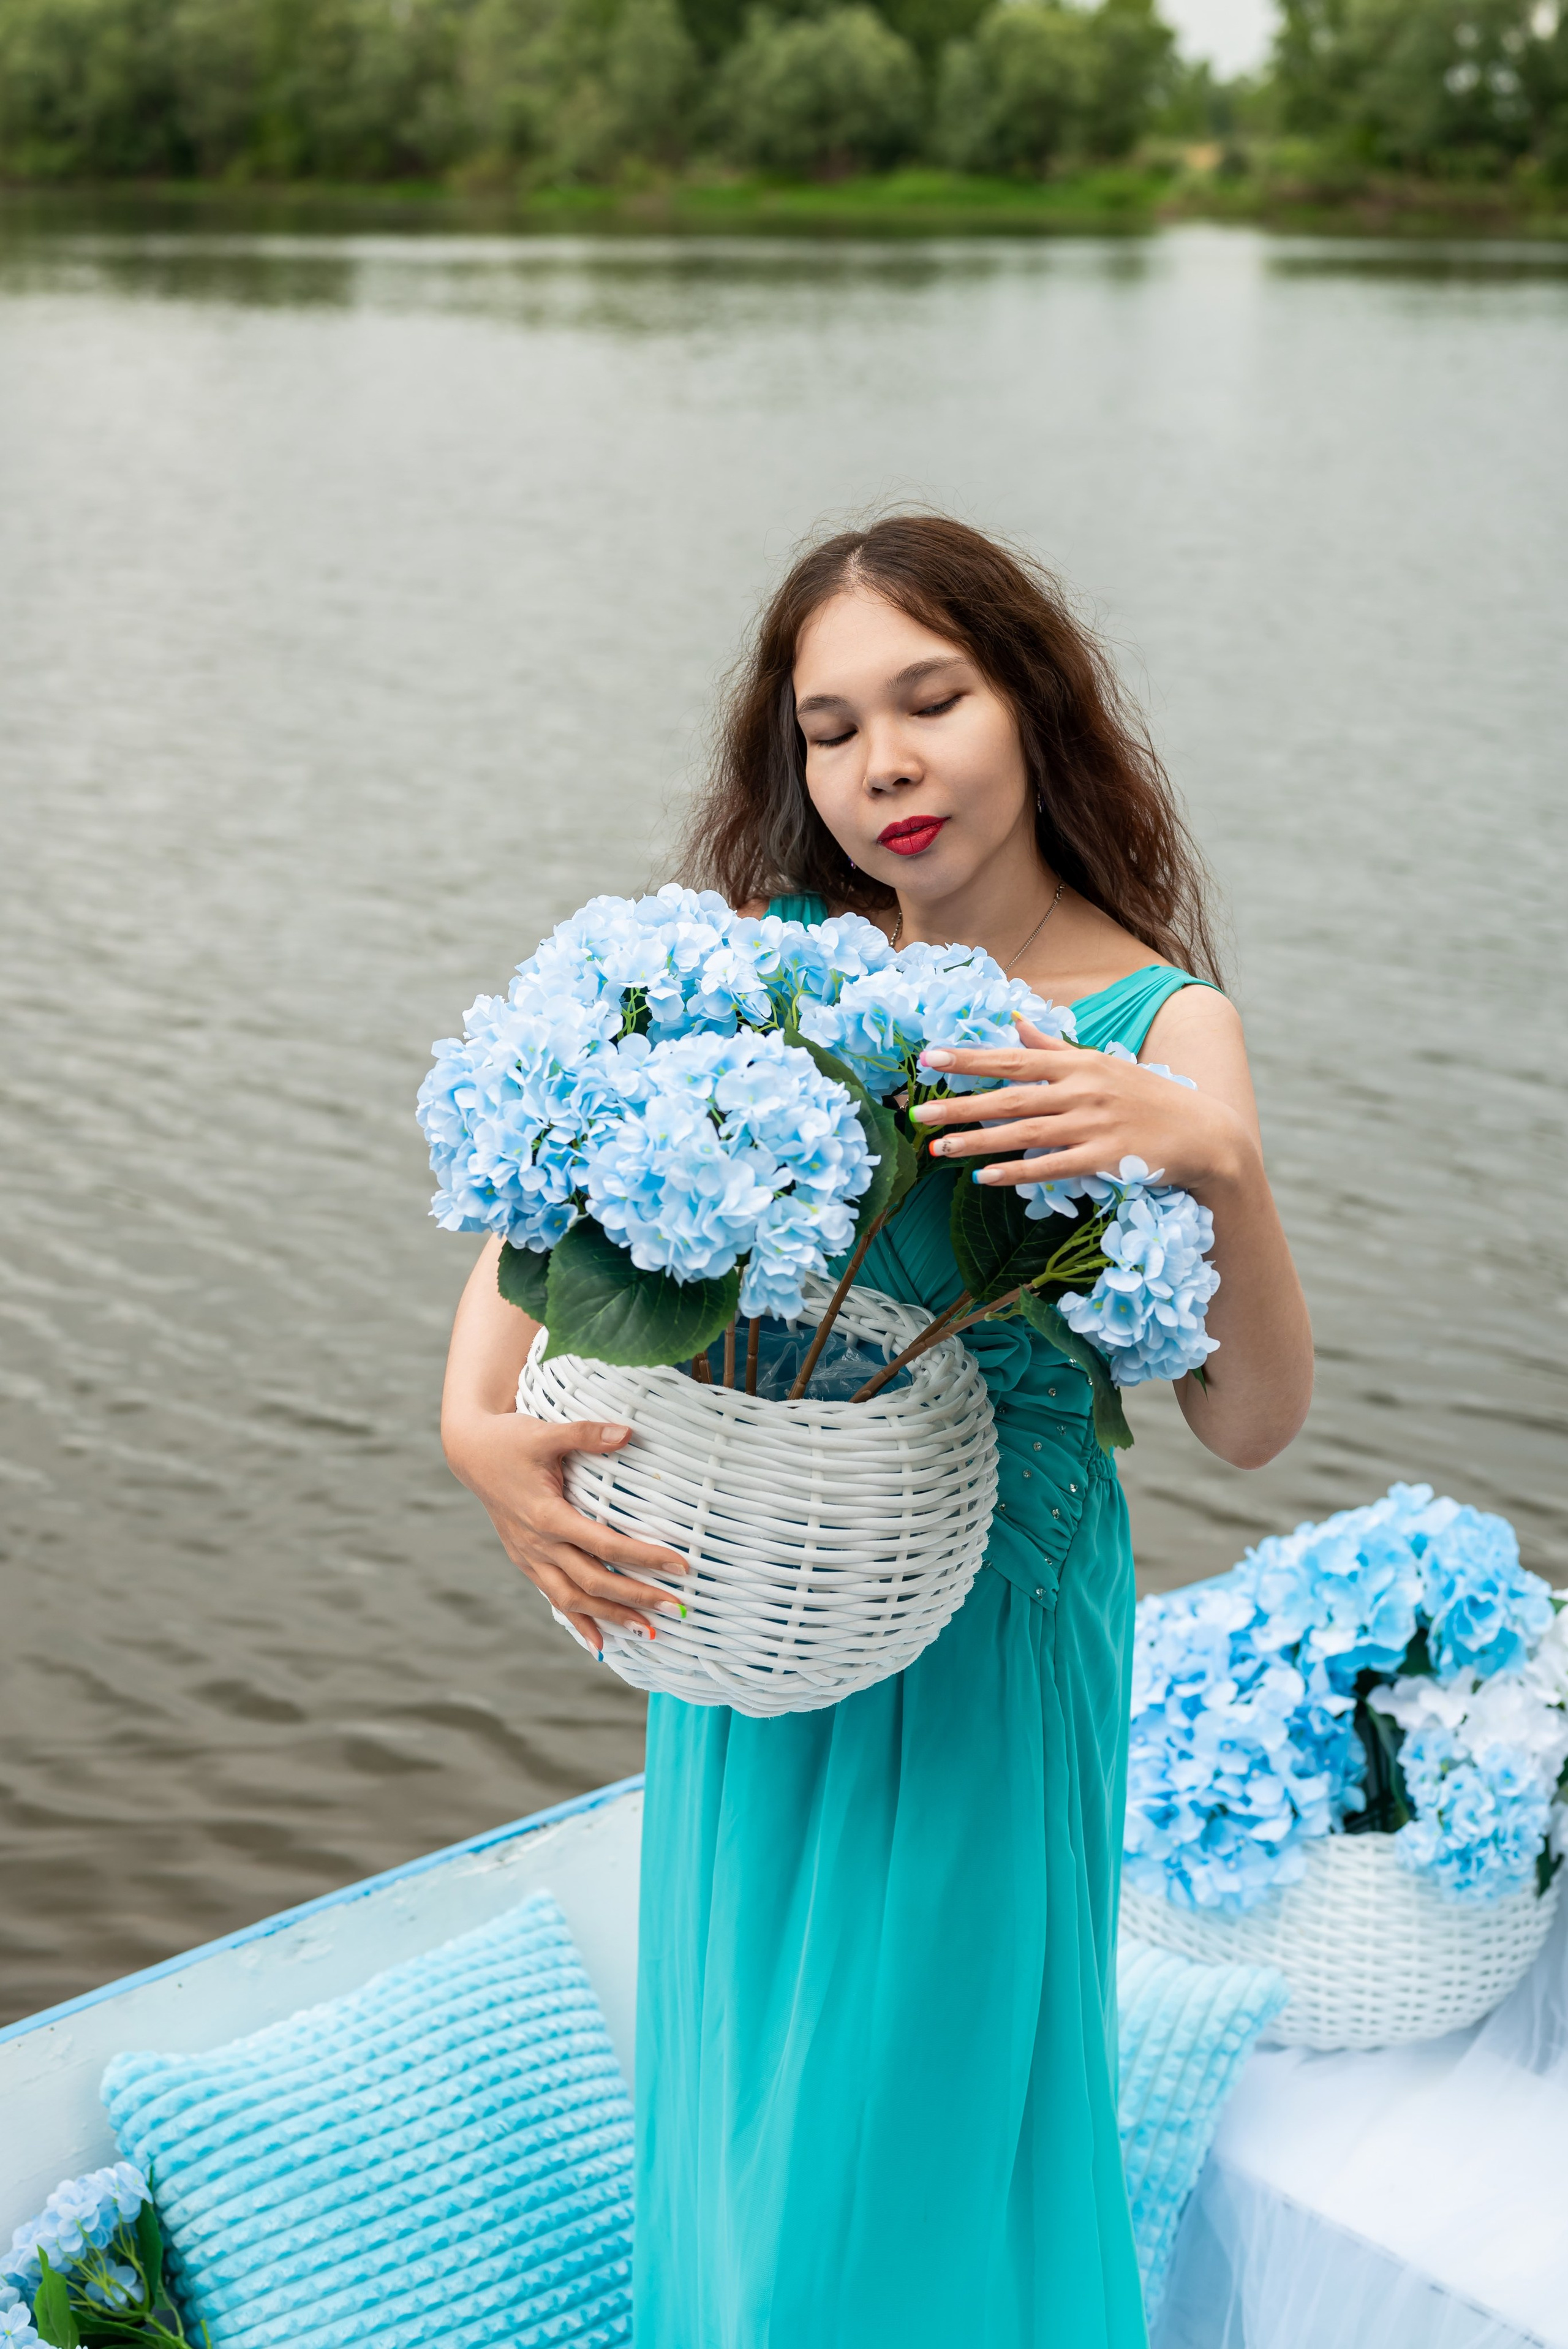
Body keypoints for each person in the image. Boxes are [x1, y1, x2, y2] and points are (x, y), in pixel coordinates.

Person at [439, 516, 1314, 2348]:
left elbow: (1246, 1420)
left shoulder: (1160, 1018)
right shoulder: (771, 981)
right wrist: (473, 1427)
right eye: (833, 729)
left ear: (1035, 705)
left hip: (998, 1658)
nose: (887, 765)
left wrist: (1212, 1156)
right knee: (751, 2126)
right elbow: (546, 1213)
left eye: (934, 699)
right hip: (760, 1629)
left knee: (904, 2171)